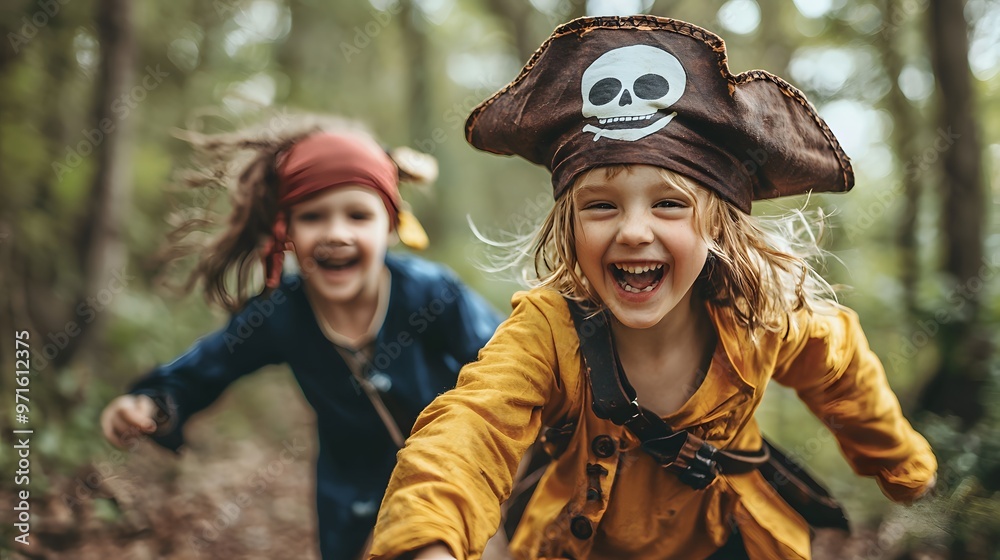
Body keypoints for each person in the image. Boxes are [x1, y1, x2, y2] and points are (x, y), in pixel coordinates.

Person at [368, 15, 938, 560]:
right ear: (568, 224)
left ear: (718, 224)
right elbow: (473, 426)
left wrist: (896, 457)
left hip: (730, 541)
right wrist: (426, 536)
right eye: (600, 206)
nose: (634, 231)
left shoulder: (760, 315)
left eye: (669, 204)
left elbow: (837, 361)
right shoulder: (548, 331)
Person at [99, 115, 503, 559]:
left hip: (445, 470)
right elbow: (202, 370)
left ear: (390, 224)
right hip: (349, 492)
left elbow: (507, 363)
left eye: (358, 215)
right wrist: (151, 404)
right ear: (285, 232)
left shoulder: (431, 294)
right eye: (312, 216)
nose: (335, 233)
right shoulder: (280, 314)